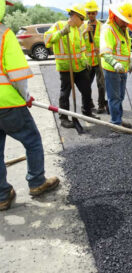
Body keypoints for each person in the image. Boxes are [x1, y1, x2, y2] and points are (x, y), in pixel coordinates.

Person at [0, 0, 59, 211]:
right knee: (32, 141)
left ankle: (2, 196)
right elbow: (16, 75)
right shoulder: (4, 35)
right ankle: (36, 182)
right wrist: (25, 96)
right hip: (7, 104)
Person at [44, 4, 98, 129]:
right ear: (75, 16)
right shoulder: (59, 25)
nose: (84, 22)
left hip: (79, 67)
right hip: (66, 68)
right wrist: (61, 32)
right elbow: (46, 40)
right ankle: (64, 118)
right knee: (65, 94)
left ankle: (87, 113)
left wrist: (85, 61)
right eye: (82, 19)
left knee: (86, 90)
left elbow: (81, 48)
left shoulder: (78, 29)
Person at [100, 2, 132, 128]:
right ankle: (115, 123)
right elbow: (104, 51)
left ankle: (118, 119)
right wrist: (115, 64)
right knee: (114, 98)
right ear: (116, 17)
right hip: (112, 69)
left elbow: (125, 48)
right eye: (124, 20)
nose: (127, 23)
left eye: (128, 20)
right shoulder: (108, 29)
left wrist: (129, 62)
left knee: (120, 96)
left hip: (123, 69)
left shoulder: (123, 29)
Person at [83, 0, 108, 114]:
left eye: (93, 13)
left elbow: (106, 42)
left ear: (96, 13)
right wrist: (84, 32)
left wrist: (101, 48)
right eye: (89, 13)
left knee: (101, 84)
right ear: (86, 14)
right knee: (86, 85)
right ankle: (89, 103)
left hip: (99, 61)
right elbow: (79, 42)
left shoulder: (102, 27)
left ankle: (101, 105)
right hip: (88, 61)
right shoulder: (83, 26)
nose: (91, 15)